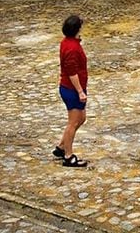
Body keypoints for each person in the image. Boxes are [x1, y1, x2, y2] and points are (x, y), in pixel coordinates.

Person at [53, 14, 89, 168]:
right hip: (72, 89)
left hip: (72, 88)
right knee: (73, 123)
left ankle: (61, 147)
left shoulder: (67, 42)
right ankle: (68, 156)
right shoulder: (72, 48)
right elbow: (71, 72)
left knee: (81, 118)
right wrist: (80, 91)